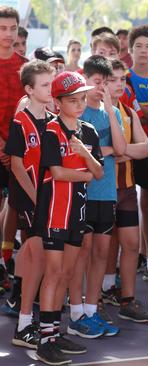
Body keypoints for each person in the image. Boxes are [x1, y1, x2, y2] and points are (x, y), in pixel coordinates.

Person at [35, 71, 104, 365]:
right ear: (58, 102)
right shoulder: (50, 130)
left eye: (81, 98)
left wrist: (85, 158)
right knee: (53, 273)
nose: (79, 104)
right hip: (54, 212)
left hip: (78, 211)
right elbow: (57, 172)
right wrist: (85, 173)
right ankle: (44, 339)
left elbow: (99, 172)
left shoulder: (88, 131)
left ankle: (55, 332)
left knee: (67, 273)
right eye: (72, 100)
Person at [66, 55, 125, 338]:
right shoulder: (78, 114)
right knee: (82, 253)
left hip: (107, 192)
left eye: (106, 82)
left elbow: (122, 147)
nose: (102, 87)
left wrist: (111, 108)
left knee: (102, 253)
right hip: (83, 193)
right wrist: (104, 151)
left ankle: (91, 309)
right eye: (97, 82)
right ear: (85, 80)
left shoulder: (108, 112)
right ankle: (75, 312)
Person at [6, 60, 55, 350]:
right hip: (31, 199)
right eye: (45, 85)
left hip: (50, 200)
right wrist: (38, 198)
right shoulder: (21, 122)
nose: (51, 89)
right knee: (37, 257)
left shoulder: (52, 120)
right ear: (29, 89)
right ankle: (24, 322)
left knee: (44, 260)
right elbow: (16, 165)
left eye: (52, 83)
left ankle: (30, 318)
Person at [104, 59, 148, 323]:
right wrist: (118, 152)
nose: (119, 84)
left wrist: (119, 151)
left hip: (125, 189)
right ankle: (97, 297)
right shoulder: (96, 112)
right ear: (101, 81)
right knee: (99, 249)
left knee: (131, 244)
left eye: (122, 79)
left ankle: (127, 299)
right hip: (100, 190)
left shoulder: (128, 111)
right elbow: (97, 154)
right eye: (112, 79)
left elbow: (145, 149)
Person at [126, 24, 148, 283]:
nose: (143, 51)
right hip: (126, 150)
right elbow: (132, 114)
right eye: (139, 46)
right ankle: (126, 260)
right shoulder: (123, 79)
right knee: (123, 206)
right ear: (130, 49)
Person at [0, 6, 27, 277]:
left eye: (12, 28)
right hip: (3, 149)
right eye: (2, 28)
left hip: (18, 150)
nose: (7, 34)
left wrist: (12, 149)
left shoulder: (24, 66)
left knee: (16, 208)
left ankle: (6, 259)